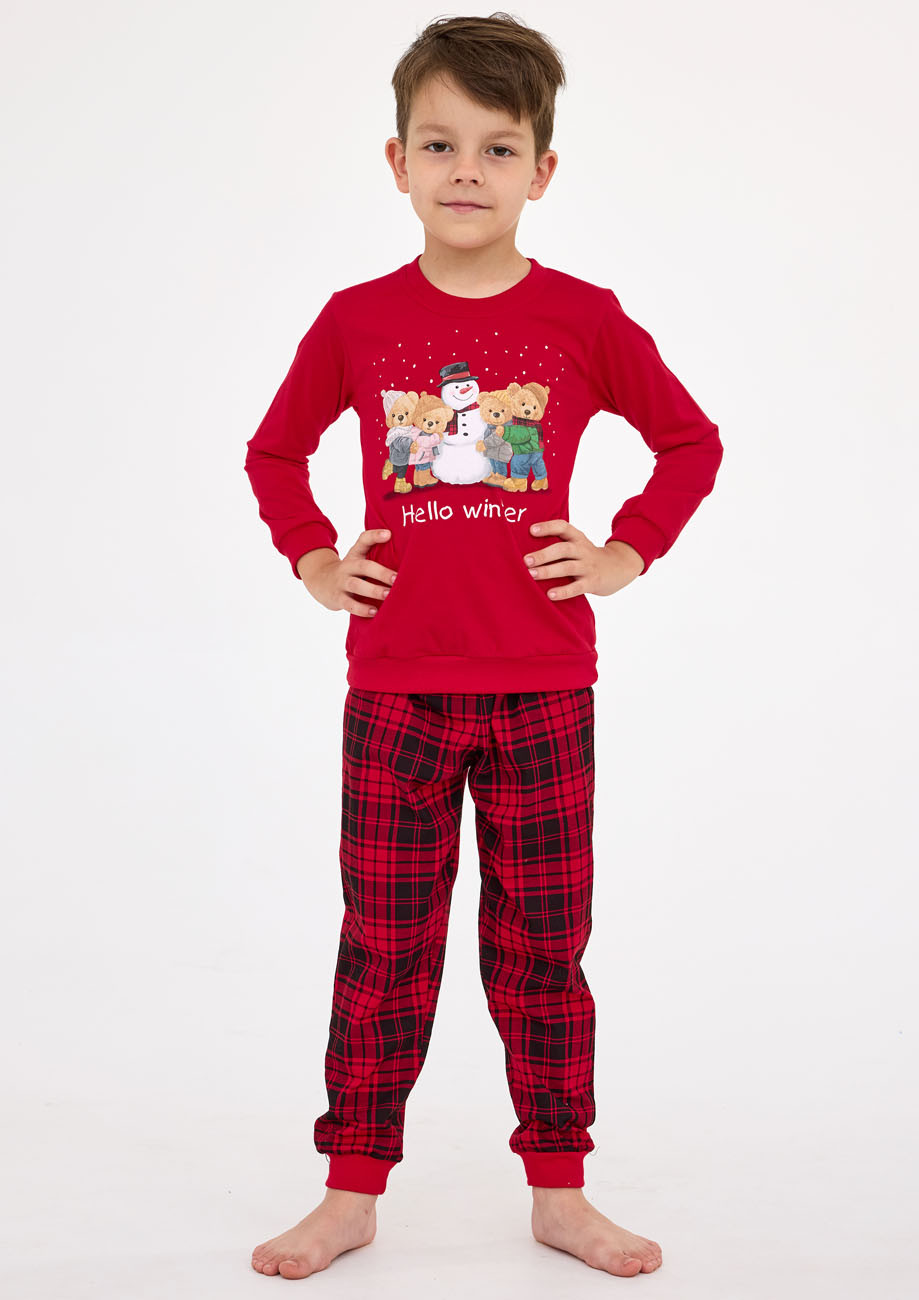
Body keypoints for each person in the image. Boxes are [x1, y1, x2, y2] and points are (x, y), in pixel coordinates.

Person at [244, 12, 722, 1281]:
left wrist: (625, 550)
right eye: (440, 143)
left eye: (497, 148)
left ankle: (559, 1189)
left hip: (544, 688)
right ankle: (351, 1189)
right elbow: (274, 450)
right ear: (396, 161)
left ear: (540, 172)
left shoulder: (582, 318)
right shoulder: (355, 322)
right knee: (384, 946)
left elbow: (690, 441)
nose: (467, 170)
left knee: (542, 949)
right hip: (396, 688)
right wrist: (313, 559)